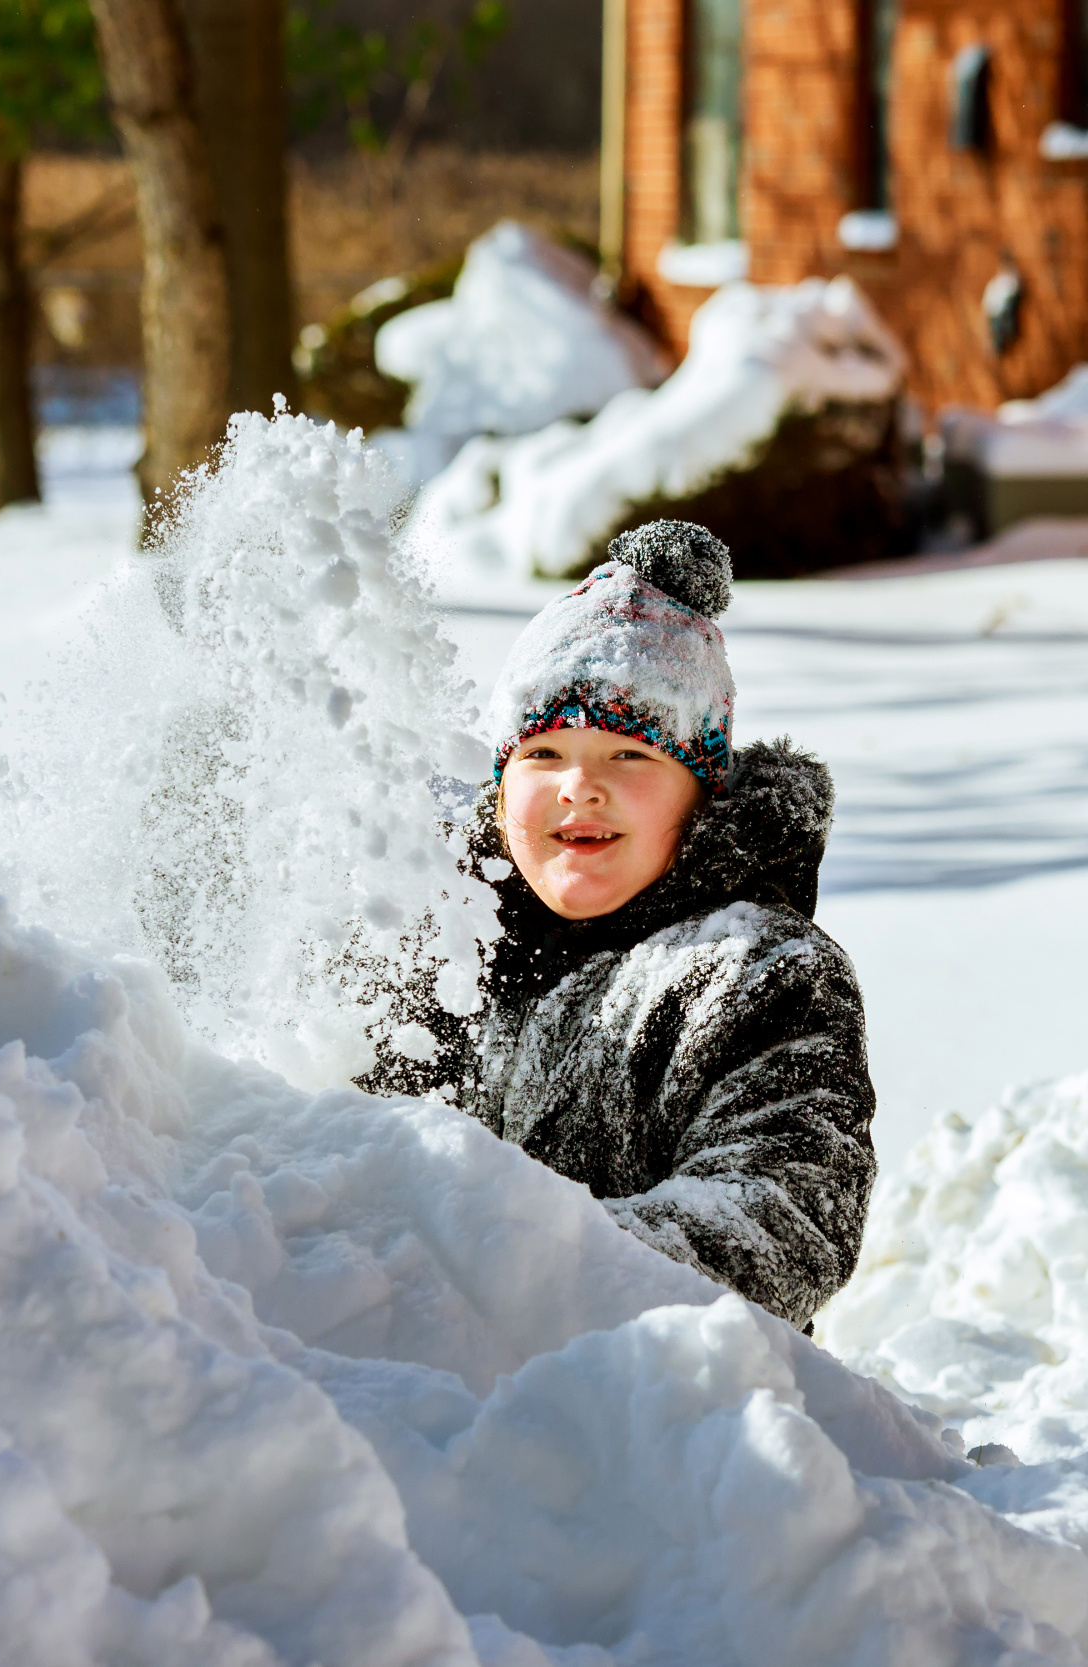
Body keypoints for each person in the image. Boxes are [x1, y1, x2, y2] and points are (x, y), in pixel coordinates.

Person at [374, 520, 876, 1330]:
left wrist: (517, 1264)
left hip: (666, 1419)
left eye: (630, 755)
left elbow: (788, 1208)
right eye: (542, 755)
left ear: (701, 791)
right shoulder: (438, 952)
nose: (580, 787)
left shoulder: (760, 972)